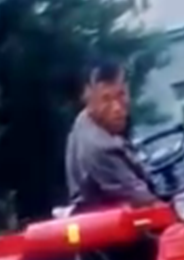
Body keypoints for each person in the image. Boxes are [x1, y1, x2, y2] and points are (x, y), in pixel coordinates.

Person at [65, 59, 158, 210]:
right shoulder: (100, 147)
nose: (117, 107)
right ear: (88, 98)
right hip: (115, 220)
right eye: (106, 99)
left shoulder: (88, 121)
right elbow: (144, 200)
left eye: (121, 95)